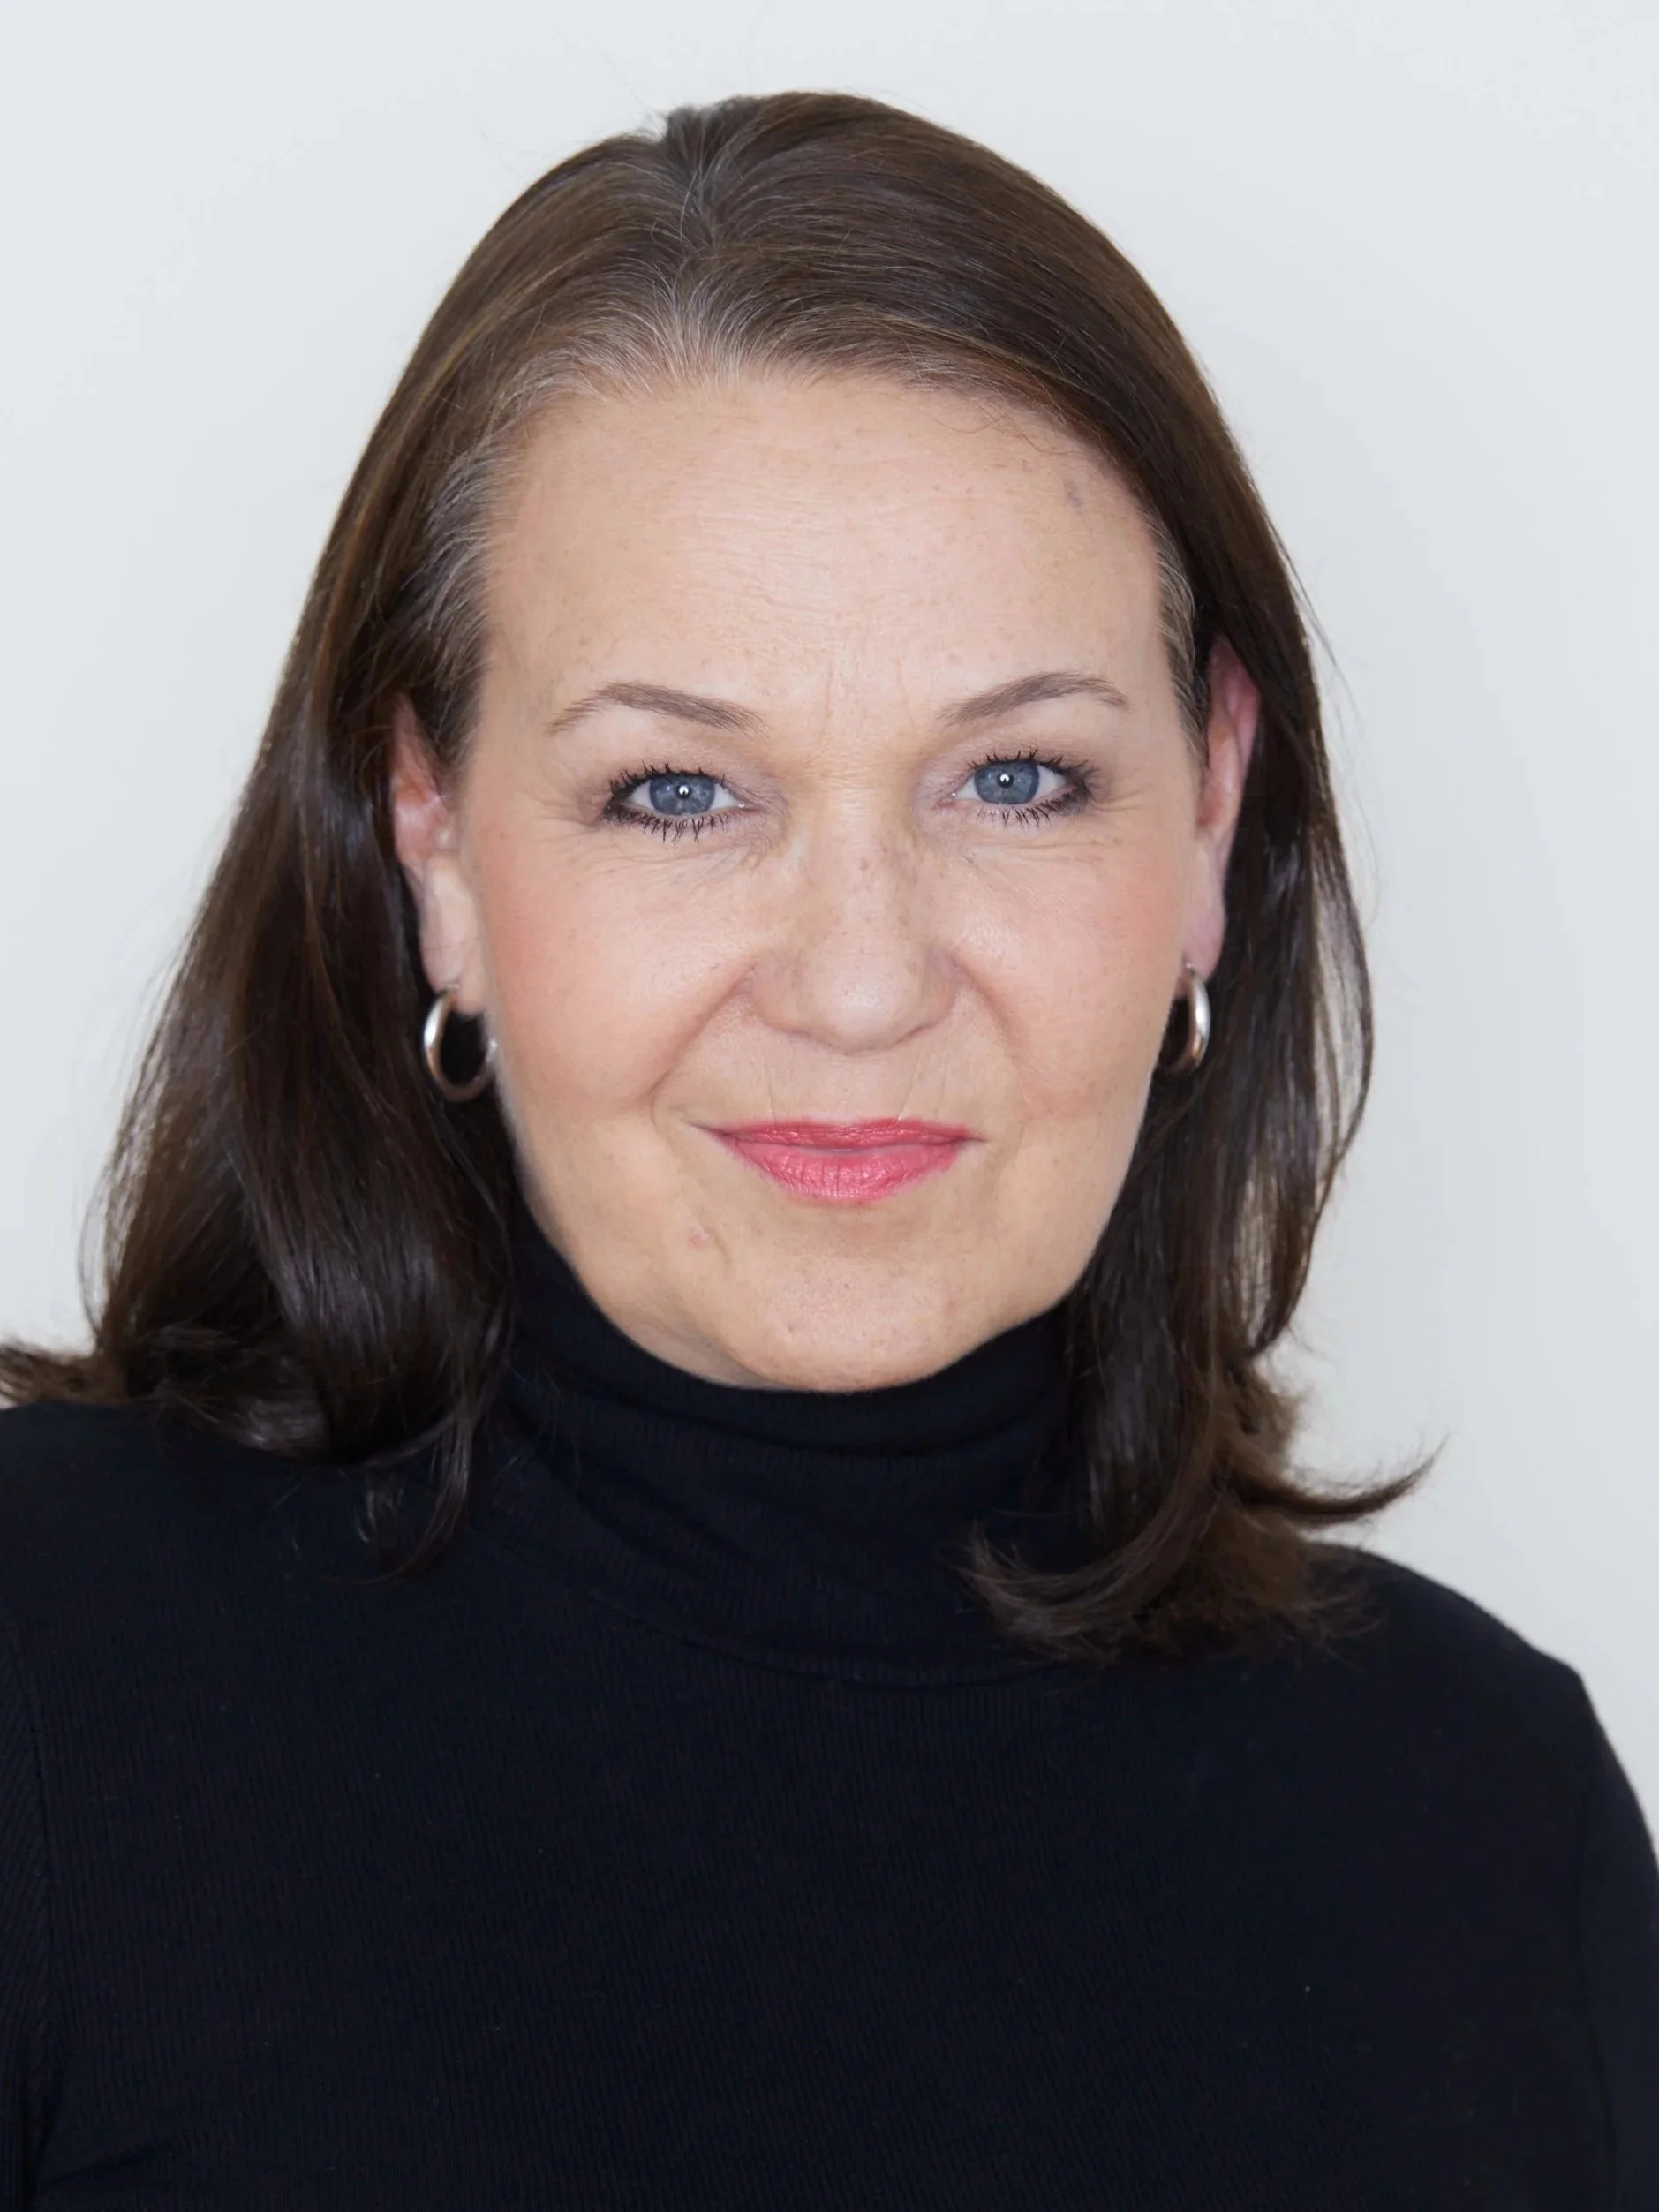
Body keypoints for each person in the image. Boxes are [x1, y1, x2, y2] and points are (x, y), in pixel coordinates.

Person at [0, 88, 1654, 2208]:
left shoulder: (1493, 1826)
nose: (862, 982)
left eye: (1022, 778)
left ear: (1212, 817)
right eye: (680, 794)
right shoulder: (48, 1687)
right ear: (436, 845)